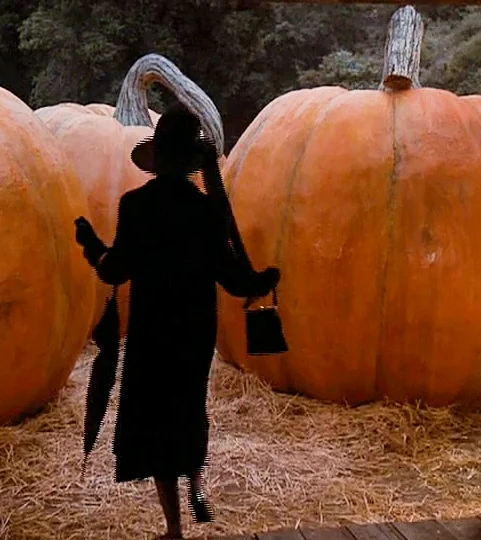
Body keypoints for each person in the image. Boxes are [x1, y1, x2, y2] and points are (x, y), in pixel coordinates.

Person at [74, 102, 280, 540]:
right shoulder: (208, 212)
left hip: (151, 332)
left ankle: (174, 527)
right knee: (188, 410)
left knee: (156, 423)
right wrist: (264, 280)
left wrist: (91, 245)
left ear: (159, 158)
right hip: (193, 333)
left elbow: (115, 271)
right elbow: (233, 278)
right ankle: (198, 489)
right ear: (191, 160)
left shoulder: (137, 206)